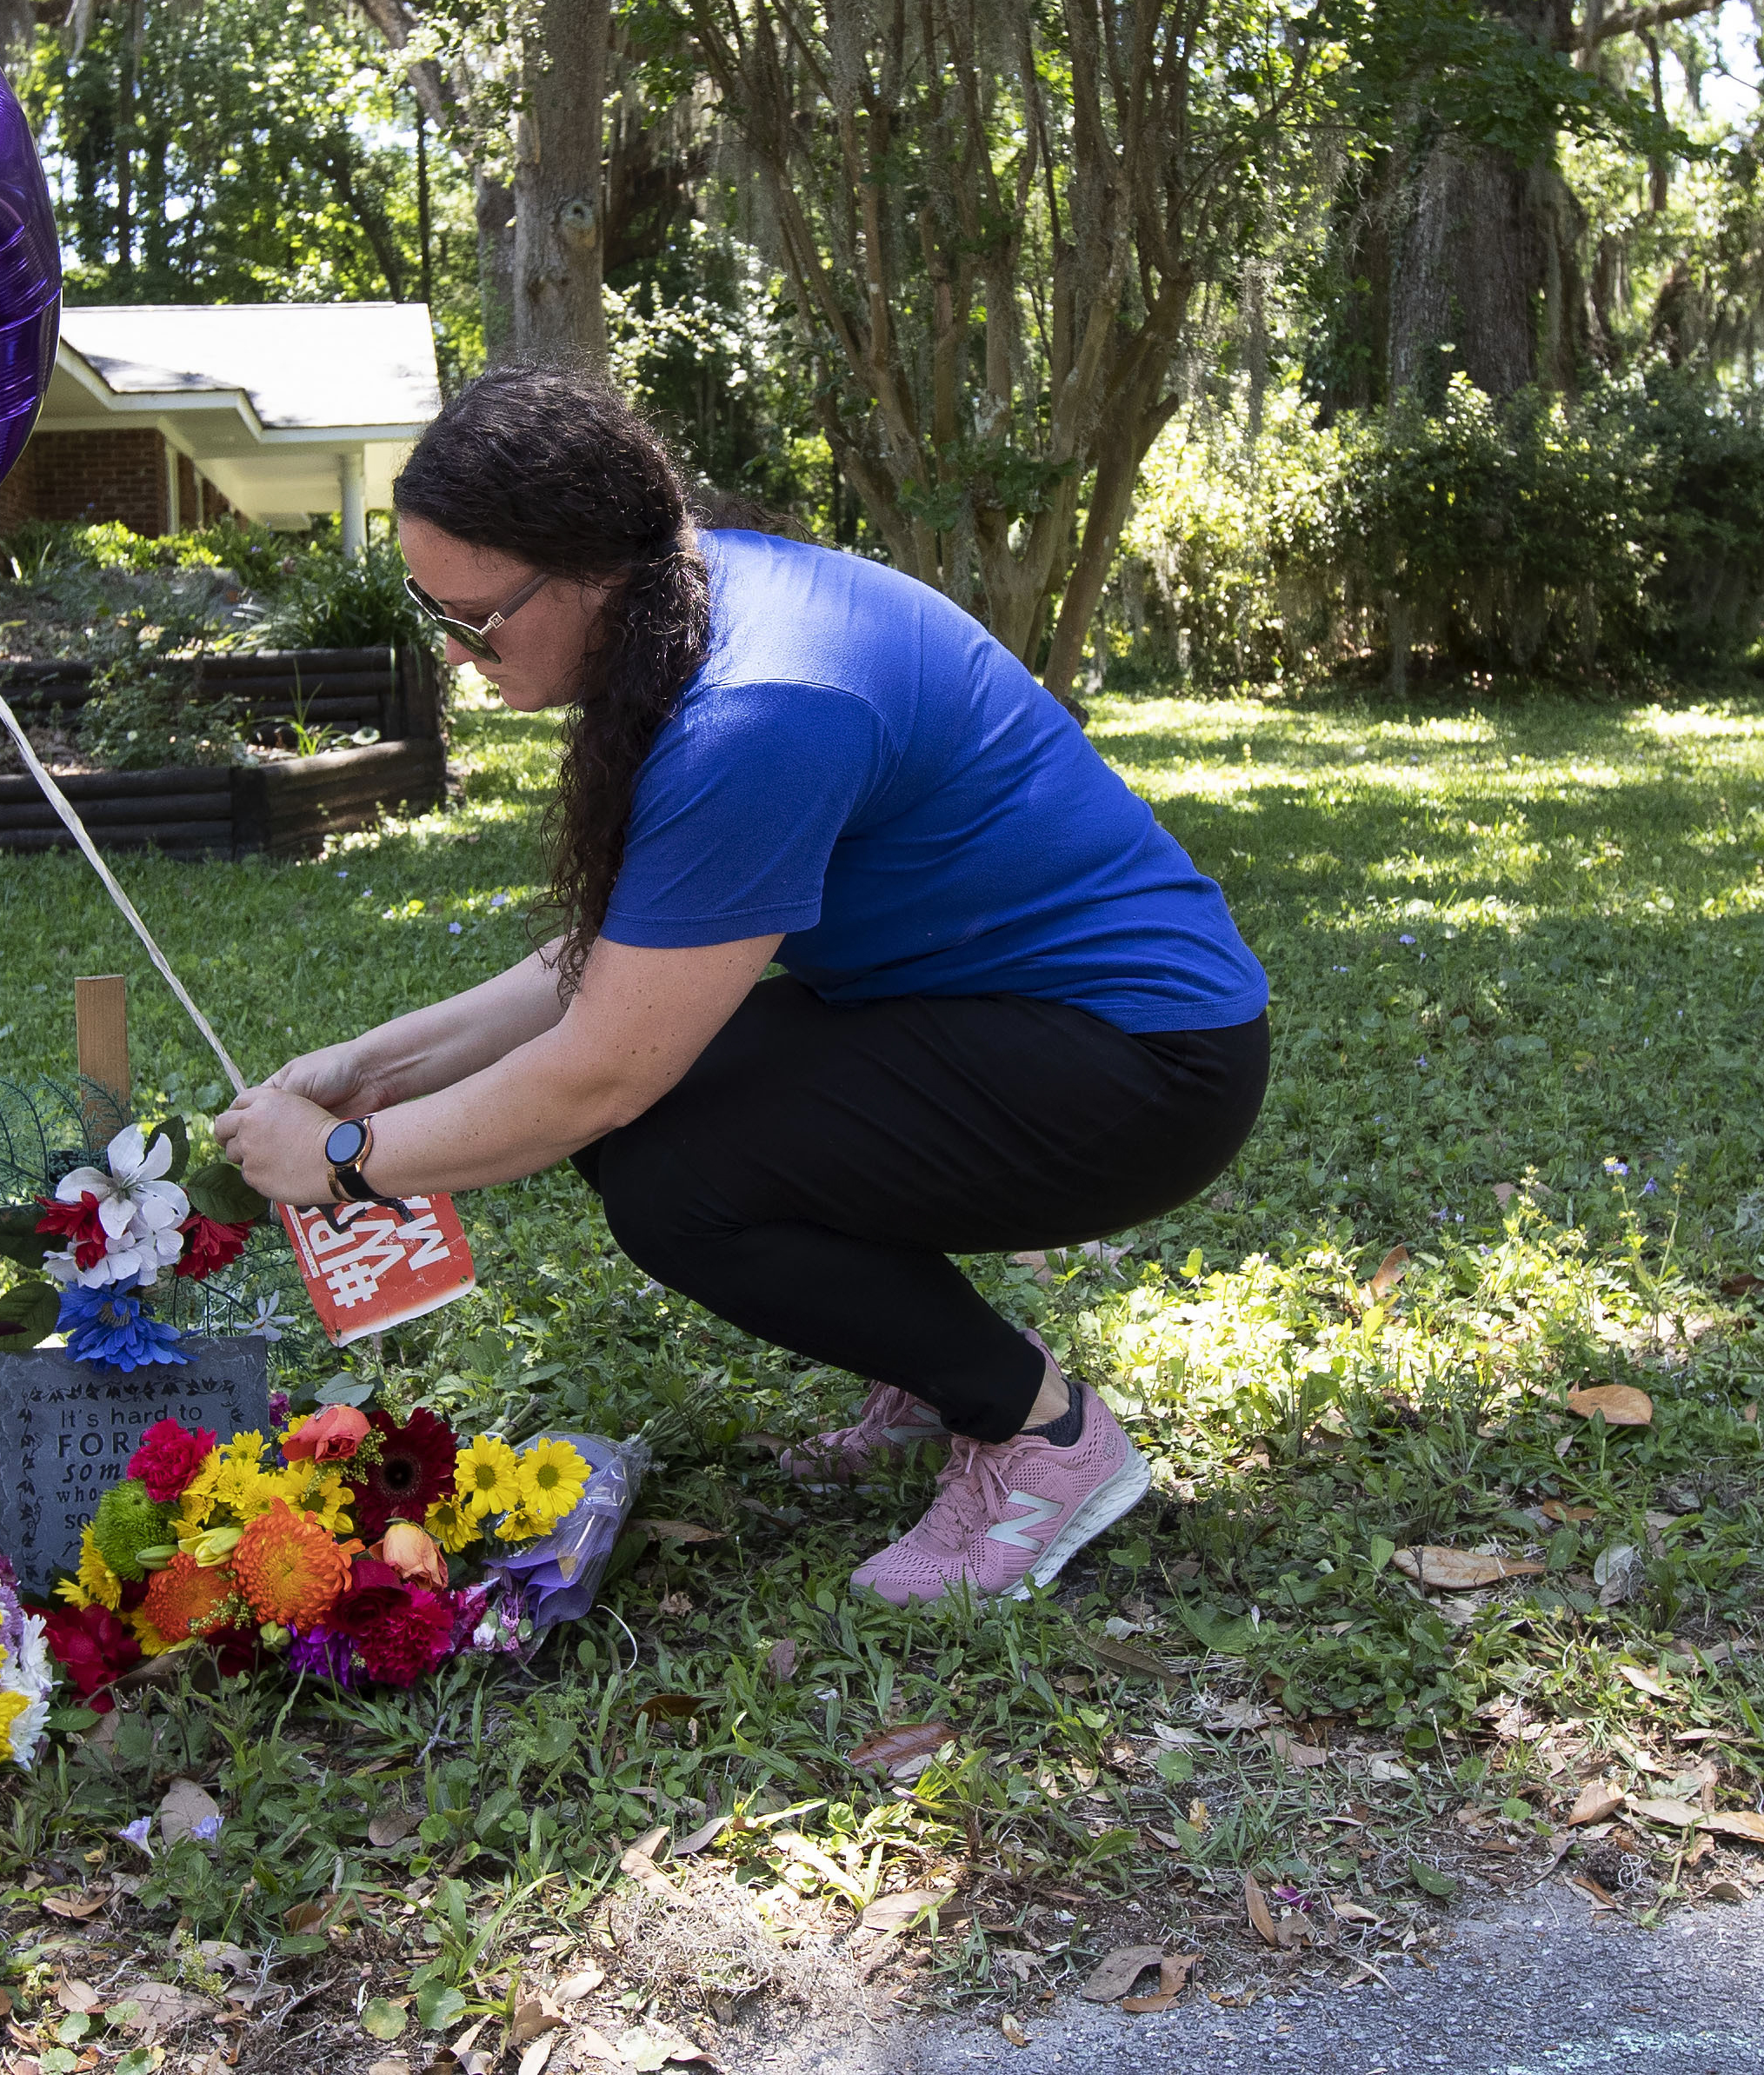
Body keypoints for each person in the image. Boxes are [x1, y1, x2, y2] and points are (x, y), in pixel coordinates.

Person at [212, 368, 1272, 1604]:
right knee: (662, 1135)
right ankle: (937, 1372)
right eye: (430, 610)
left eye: (476, 618)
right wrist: (378, 1068)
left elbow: (600, 1070)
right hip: (992, 1014)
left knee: (671, 1177)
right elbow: (618, 968)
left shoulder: (757, 710)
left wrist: (345, 1154)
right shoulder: (695, 599)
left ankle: (1040, 1430)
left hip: (1145, 1064)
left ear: (586, 573)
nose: (454, 654)